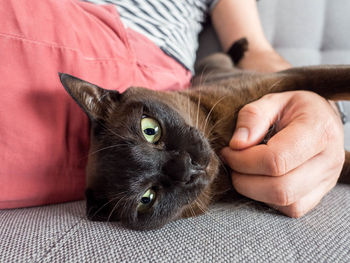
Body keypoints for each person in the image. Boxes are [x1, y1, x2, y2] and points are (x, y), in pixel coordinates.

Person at [0, 0, 344, 219]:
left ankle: (215, 63)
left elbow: (257, 55)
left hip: (122, 51)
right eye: (148, 197)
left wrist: (324, 108)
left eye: (152, 132)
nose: (184, 172)